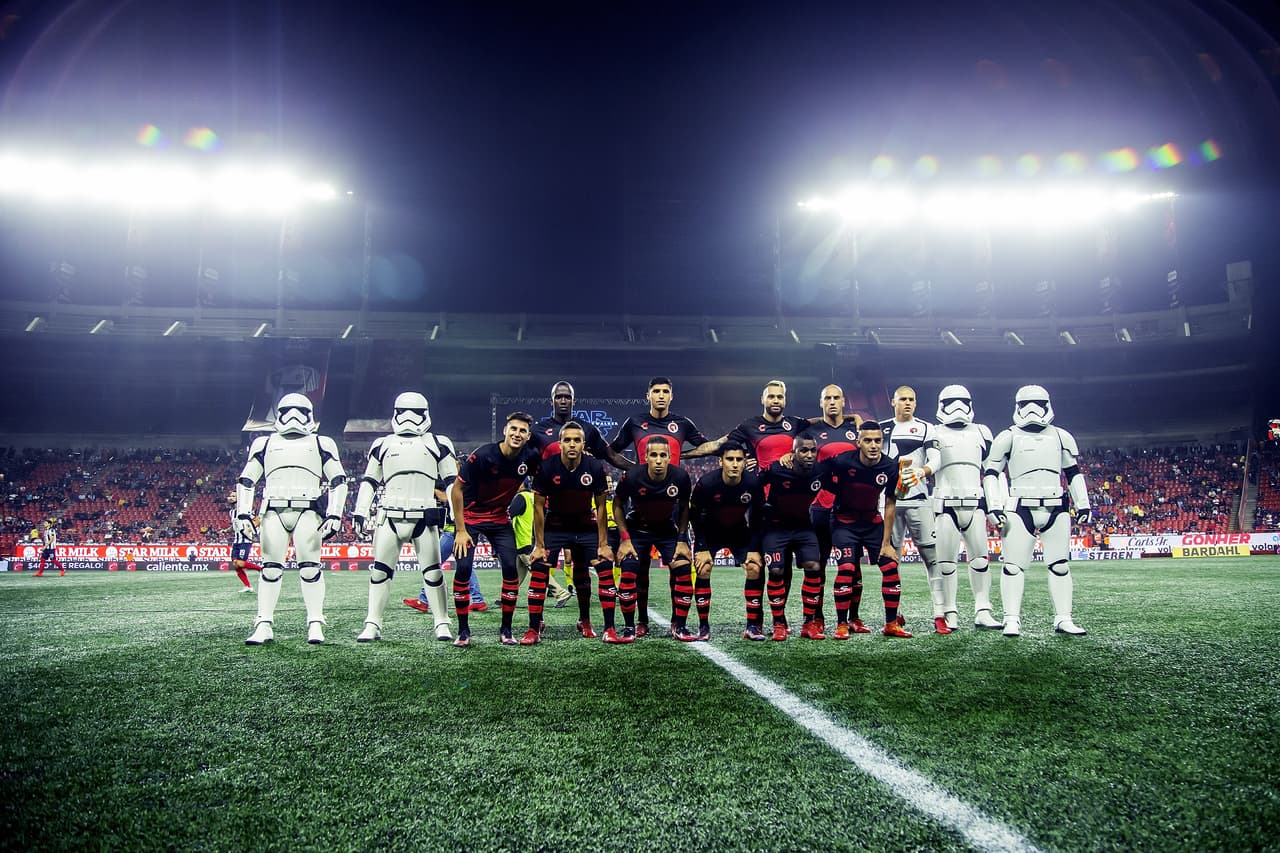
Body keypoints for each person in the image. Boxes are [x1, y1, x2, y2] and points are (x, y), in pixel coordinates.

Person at [236, 393, 348, 645]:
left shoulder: (321, 443)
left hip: (308, 509)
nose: (293, 416)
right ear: (279, 414)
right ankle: (264, 623)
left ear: (309, 414)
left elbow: (338, 480)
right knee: (270, 569)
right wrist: (243, 512)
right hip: (274, 509)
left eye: (299, 410)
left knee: (310, 568)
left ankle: (315, 622)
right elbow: (246, 479)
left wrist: (335, 513)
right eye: (287, 411)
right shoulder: (264, 443)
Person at [982, 385, 1090, 636]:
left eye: (1039, 404)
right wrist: (994, 506)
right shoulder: (1008, 437)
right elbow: (991, 474)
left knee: (1060, 565)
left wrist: (1083, 503)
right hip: (1020, 504)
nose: (1033, 409)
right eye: (1026, 404)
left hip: (1056, 504)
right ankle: (1011, 618)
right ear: (1018, 407)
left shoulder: (1061, 436)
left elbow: (1073, 472)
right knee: (1013, 566)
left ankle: (1063, 618)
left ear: (1047, 405)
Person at [351, 392, 459, 643]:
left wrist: (456, 513)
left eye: (415, 412)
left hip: (424, 515)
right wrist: (360, 511)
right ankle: (372, 623)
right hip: (390, 514)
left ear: (425, 414)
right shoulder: (383, 444)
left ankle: (442, 621)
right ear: (395, 413)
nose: (409, 417)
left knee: (433, 573)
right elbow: (369, 480)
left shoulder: (438, 443)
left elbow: (452, 481)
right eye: (403, 412)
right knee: (380, 571)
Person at [450, 411, 542, 647]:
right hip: (470, 517)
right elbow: (456, 489)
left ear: (528, 436)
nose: (517, 434)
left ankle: (506, 630)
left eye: (522, 431)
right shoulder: (483, 455)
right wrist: (460, 530)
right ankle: (463, 631)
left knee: (511, 569)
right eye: (514, 429)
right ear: (505, 431)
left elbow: (546, 473)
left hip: (500, 518)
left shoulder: (530, 457)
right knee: (463, 569)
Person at [820, 420, 911, 638]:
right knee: (847, 569)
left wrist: (886, 544)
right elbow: (818, 472)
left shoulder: (890, 466)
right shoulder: (842, 461)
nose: (873, 445)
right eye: (868, 440)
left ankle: (891, 624)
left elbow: (891, 503)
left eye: (877, 441)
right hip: (843, 521)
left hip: (871, 522)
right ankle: (842, 624)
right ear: (858, 442)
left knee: (890, 566)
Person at [529, 421, 616, 643]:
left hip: (584, 525)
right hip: (555, 525)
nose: (572, 444)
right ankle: (534, 626)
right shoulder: (546, 467)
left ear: (583, 444)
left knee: (603, 566)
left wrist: (603, 544)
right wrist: (539, 545)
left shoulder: (594, 466)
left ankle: (598, 625)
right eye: (567, 440)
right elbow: (538, 508)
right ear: (559, 443)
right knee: (540, 567)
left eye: (577, 440)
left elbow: (601, 508)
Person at [880, 385, 949, 635]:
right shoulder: (881, 428)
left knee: (932, 558)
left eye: (911, 399)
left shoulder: (926, 428)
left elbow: (936, 459)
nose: (907, 403)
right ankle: (894, 614)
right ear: (893, 402)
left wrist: (922, 471)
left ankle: (939, 614)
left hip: (919, 500)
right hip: (889, 502)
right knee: (891, 560)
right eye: (903, 399)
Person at [932, 386, 1002, 629]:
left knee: (981, 560)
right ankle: (949, 612)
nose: (958, 406)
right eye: (952, 401)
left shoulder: (982, 432)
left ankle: (983, 610)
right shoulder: (933, 432)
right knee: (946, 564)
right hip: (945, 503)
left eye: (962, 401)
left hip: (975, 503)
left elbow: (992, 471)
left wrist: (996, 505)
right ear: (942, 405)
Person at [612, 440, 693, 640]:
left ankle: (679, 624)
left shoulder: (681, 477)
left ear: (670, 457)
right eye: (654, 455)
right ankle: (634, 625)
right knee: (630, 571)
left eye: (663, 455)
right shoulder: (632, 476)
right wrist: (625, 539)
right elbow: (617, 504)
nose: (658, 460)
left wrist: (682, 539)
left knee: (682, 568)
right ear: (646, 457)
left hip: (667, 530)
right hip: (637, 530)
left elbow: (685, 507)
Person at [753, 434, 826, 640]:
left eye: (812, 450)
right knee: (776, 571)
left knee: (814, 567)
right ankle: (778, 623)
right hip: (775, 527)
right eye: (803, 450)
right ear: (793, 453)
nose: (809, 455)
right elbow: (754, 483)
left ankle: (809, 623)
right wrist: (761, 508)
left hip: (803, 526)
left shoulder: (821, 471)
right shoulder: (777, 469)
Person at [689, 441, 762, 641]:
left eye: (739, 459)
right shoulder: (706, 483)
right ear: (721, 461)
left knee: (754, 567)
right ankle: (703, 627)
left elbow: (758, 517)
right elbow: (694, 515)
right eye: (730, 459)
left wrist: (754, 548)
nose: (735, 464)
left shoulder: (753, 483)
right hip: (710, 532)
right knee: (703, 568)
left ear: (745, 461)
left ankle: (752, 627)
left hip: (738, 531)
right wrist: (701, 546)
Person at [807, 384, 863, 627]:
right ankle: (817, 617)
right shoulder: (811, 430)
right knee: (817, 565)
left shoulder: (855, 430)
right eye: (827, 398)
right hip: (820, 506)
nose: (832, 401)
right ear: (821, 403)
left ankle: (854, 618)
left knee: (854, 566)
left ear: (843, 401)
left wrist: (855, 418)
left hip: (850, 508)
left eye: (836, 397)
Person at [608, 376, 710, 466]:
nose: (661, 396)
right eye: (656, 391)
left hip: (673, 481)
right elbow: (611, 453)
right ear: (648, 396)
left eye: (665, 392)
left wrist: (683, 455)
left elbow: (707, 447)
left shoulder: (683, 423)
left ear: (671, 396)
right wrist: (633, 469)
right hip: (641, 482)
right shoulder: (634, 422)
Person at [513, 480, 571, 608]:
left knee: (539, 571)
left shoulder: (520, 497)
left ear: (522, 484)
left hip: (523, 540)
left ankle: (561, 593)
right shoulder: (533, 497)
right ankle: (508, 595)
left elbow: (509, 514)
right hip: (531, 538)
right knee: (516, 574)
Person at [226, 495, 260, 592]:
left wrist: (250, 529)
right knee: (235, 565)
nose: (230, 497)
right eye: (230, 496)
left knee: (240, 563)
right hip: (236, 542)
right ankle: (247, 586)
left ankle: (262, 570)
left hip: (245, 541)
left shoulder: (245, 511)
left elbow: (257, 520)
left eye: (233, 496)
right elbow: (234, 525)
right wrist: (226, 530)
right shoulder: (231, 512)